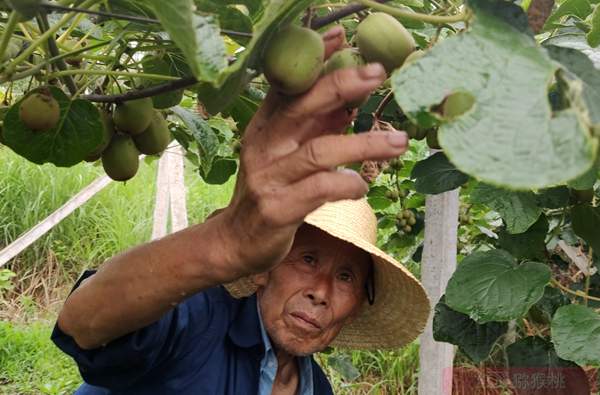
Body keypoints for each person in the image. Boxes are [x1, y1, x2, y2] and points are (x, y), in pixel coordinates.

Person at [52, 26, 430, 395]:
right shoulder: (199, 319)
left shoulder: (318, 388)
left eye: (346, 277)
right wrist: (227, 242)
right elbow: (84, 324)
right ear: (264, 269)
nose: (321, 292)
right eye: (308, 259)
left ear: (359, 305)